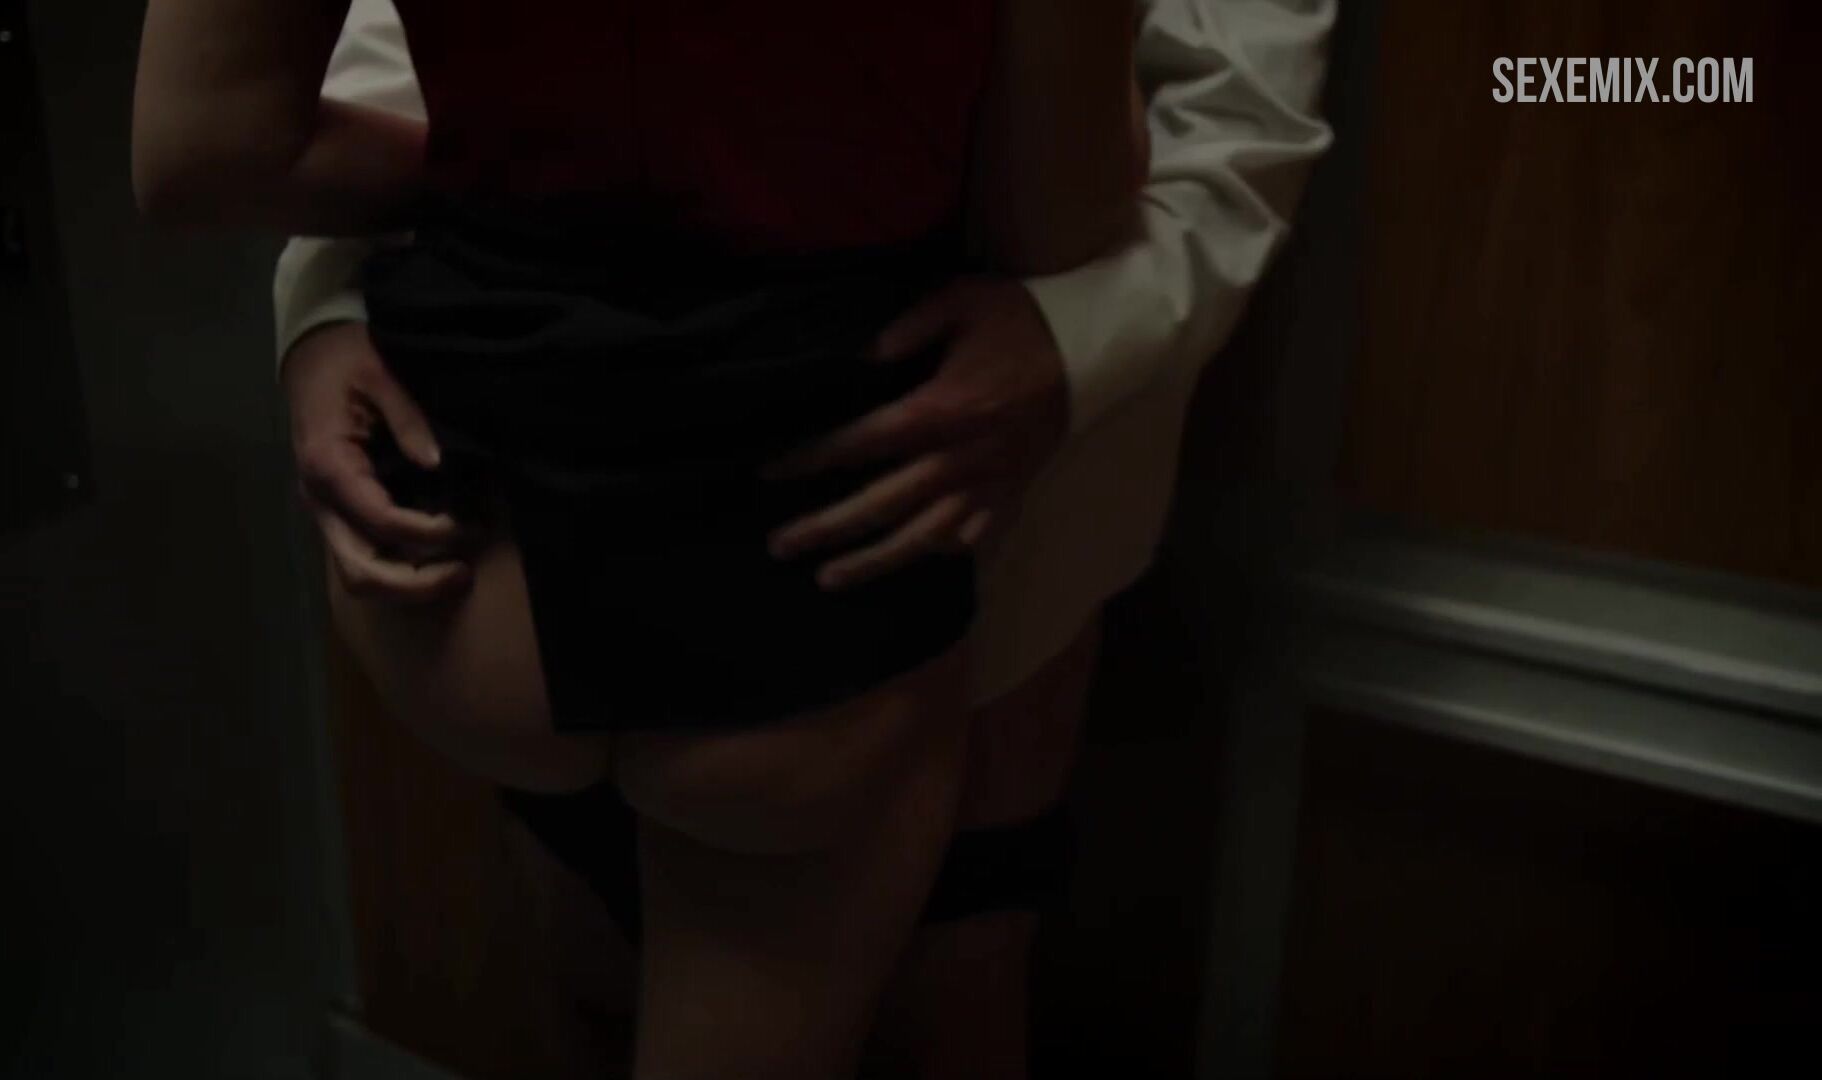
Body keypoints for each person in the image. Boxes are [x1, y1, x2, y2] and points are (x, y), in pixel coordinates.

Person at [150, 0, 1332, 1075]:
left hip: (902, 478)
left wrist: (1076, 338)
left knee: (946, 1000)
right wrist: (329, 304)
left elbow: (1242, 97)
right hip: (768, 507)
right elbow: (382, 56)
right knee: (600, 972)